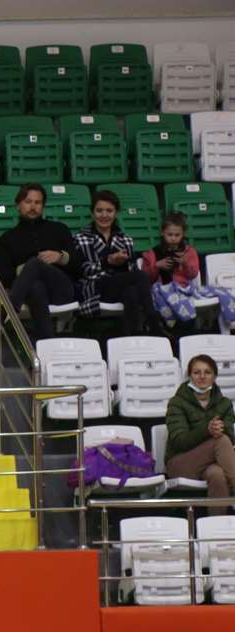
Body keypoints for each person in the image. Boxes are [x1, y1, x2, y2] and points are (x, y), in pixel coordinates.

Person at [0, 183, 80, 340]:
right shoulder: (6, 239)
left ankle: (6, 311)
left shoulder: (59, 229)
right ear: (18, 205)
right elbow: (3, 276)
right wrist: (26, 269)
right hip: (28, 293)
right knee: (36, 286)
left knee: (35, 264)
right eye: (28, 202)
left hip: (62, 290)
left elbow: (79, 265)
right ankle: (45, 350)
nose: (33, 206)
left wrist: (60, 257)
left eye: (37, 202)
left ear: (43, 206)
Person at [72, 189, 152, 336]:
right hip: (94, 287)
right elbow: (82, 271)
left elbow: (131, 270)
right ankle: (153, 323)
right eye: (99, 210)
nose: (104, 215)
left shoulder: (125, 239)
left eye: (109, 211)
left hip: (118, 287)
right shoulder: (80, 238)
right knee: (141, 276)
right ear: (92, 213)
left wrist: (123, 263)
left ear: (116, 213)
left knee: (132, 293)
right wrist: (108, 261)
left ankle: (129, 339)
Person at [164, 354, 235, 515]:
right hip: (180, 463)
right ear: (189, 376)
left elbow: (230, 437)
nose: (202, 376)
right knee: (220, 441)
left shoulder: (224, 404)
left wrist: (221, 429)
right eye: (197, 372)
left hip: (212, 462)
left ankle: (217, 530)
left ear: (215, 376)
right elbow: (179, 441)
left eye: (207, 372)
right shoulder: (177, 402)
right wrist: (207, 430)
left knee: (217, 474)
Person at [141, 212, 235, 332]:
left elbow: (193, 274)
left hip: (185, 288)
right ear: (162, 233)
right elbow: (146, 277)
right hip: (163, 288)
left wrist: (185, 263)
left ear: (183, 234)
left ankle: (230, 318)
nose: (173, 238)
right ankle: (173, 322)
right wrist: (156, 266)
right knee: (160, 291)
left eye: (177, 235)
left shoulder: (189, 251)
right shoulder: (152, 253)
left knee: (221, 291)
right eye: (170, 234)